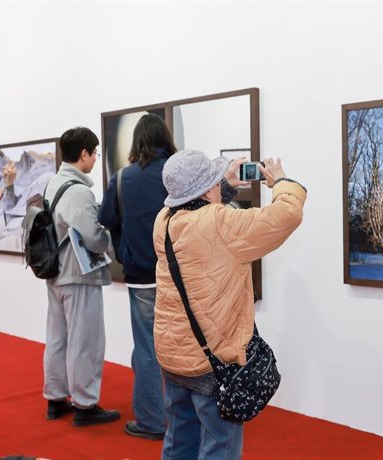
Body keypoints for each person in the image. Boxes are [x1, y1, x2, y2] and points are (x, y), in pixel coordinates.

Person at [153, 150, 307, 459]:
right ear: (208, 188)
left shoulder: (165, 220)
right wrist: (282, 183)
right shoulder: (221, 223)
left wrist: (222, 186)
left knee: (179, 438)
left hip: (173, 354)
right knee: (219, 444)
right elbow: (286, 215)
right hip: (213, 361)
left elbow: (202, 212)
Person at [98, 113, 176, 439]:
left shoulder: (121, 178)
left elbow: (105, 217)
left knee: (146, 348)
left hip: (141, 274)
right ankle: (187, 417)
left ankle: (151, 422)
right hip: (179, 274)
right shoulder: (177, 176)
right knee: (184, 346)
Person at [42, 126, 120, 427]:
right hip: (79, 275)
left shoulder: (53, 183)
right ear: (84, 154)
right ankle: (86, 405)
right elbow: (94, 237)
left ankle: (55, 397)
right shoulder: (78, 191)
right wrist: (110, 240)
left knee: (57, 337)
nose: (96, 158)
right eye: (95, 153)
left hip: (55, 272)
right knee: (85, 340)